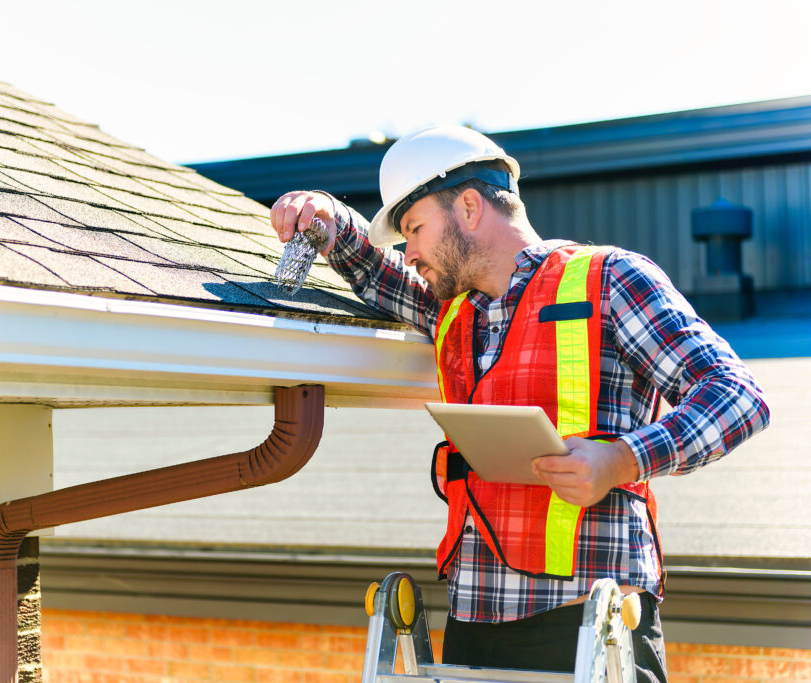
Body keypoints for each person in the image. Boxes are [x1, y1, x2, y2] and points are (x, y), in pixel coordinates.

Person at [269, 126, 770, 682]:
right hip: (474, 618)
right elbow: (372, 268)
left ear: (468, 207)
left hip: (590, 621)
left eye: (414, 229)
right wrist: (325, 217)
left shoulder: (610, 280)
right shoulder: (454, 313)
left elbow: (736, 396)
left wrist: (620, 460)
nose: (408, 253)